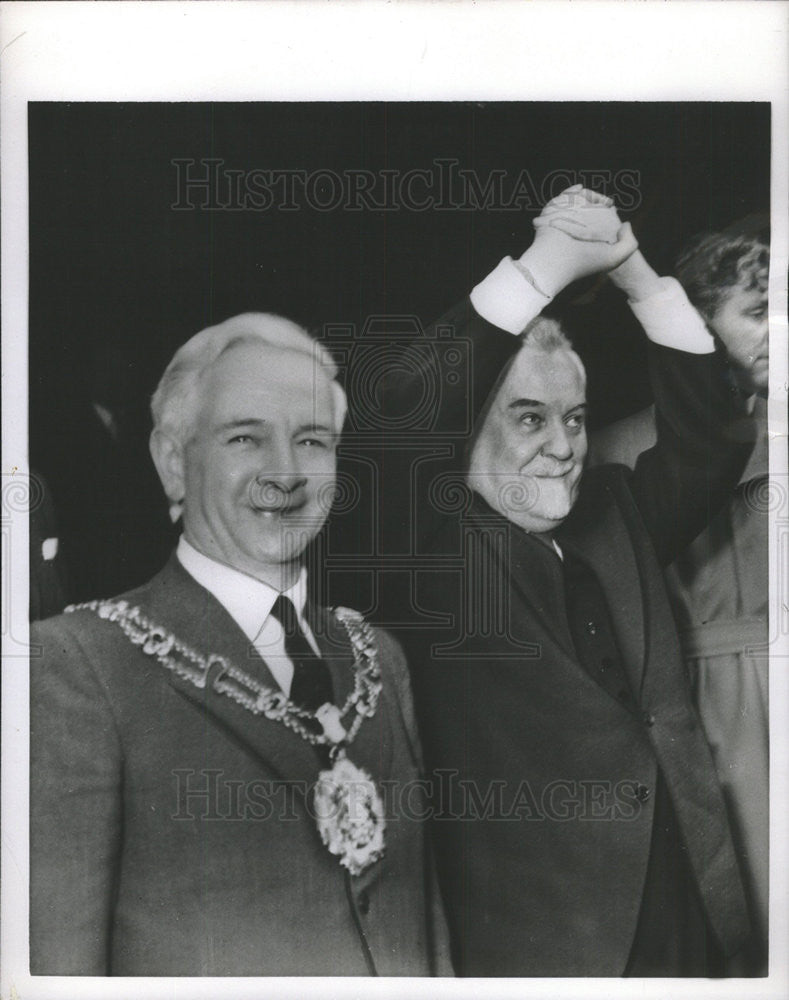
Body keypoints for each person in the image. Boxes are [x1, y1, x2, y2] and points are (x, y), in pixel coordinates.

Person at [371, 187, 755, 976]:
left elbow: (712, 437)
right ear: (468, 428)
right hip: (542, 938)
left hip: (681, 904)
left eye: (575, 417)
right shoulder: (428, 543)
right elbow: (407, 411)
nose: (562, 445)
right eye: (528, 417)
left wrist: (636, 277)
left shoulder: (614, 516)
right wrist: (544, 267)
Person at [30, 313, 450, 976]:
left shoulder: (378, 658)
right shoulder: (79, 666)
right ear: (174, 461)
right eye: (245, 438)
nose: (285, 474)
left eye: (311, 439)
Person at [590, 222, 770, 975]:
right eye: (759, 309)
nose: (781, 332)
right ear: (697, 323)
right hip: (704, 709)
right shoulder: (618, 451)